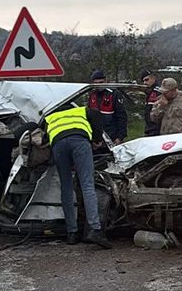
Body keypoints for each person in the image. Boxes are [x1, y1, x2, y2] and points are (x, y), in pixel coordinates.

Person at [42, 104, 112, 249]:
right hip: (79, 142)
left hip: (58, 145)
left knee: (66, 188)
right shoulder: (81, 110)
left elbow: (42, 138)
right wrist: (96, 139)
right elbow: (97, 115)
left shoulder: (50, 117)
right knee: (87, 185)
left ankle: (71, 233)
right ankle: (95, 230)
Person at [87, 70, 128, 144]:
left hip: (112, 135)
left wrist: (120, 136)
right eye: (96, 83)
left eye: (101, 82)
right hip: (97, 136)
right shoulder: (92, 94)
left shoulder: (114, 94)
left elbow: (121, 116)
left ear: (106, 81)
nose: (99, 85)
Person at [139, 70, 162, 136]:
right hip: (149, 128)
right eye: (143, 81)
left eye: (147, 80)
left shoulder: (158, 91)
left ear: (153, 78)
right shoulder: (149, 92)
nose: (145, 83)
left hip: (157, 129)